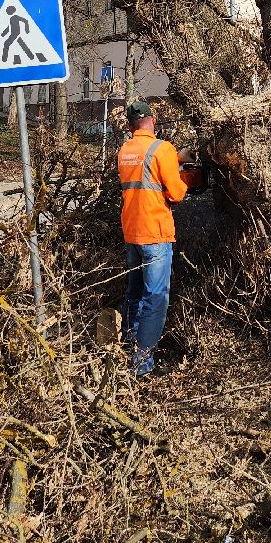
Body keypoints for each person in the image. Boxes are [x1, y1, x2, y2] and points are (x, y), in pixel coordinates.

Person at [117, 99, 198, 378]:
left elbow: (144, 167)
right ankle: (142, 363)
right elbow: (175, 193)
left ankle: (127, 345)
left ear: (130, 126)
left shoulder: (124, 150)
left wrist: (176, 158)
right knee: (156, 297)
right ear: (152, 120)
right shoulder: (163, 148)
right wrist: (183, 176)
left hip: (132, 230)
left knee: (135, 290)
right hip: (155, 231)